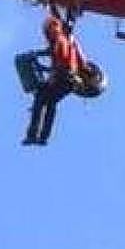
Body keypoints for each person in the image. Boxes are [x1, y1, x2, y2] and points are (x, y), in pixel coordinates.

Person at [22, 11, 86, 147]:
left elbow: (60, 60)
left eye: (50, 29)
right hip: (68, 80)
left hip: (65, 77)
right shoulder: (66, 41)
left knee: (42, 99)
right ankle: (40, 137)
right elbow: (79, 61)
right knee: (49, 103)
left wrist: (51, 73)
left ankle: (34, 135)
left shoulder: (60, 40)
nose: (49, 32)